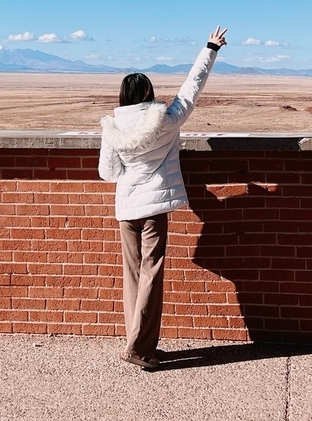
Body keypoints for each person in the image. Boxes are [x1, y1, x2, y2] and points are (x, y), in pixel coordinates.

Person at [98, 25, 228, 370]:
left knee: (133, 277)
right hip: (154, 209)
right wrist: (210, 48)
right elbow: (191, 89)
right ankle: (139, 348)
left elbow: (108, 173)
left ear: (123, 97)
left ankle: (139, 344)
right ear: (149, 93)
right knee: (151, 276)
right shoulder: (167, 120)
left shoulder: (112, 129)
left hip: (127, 209)